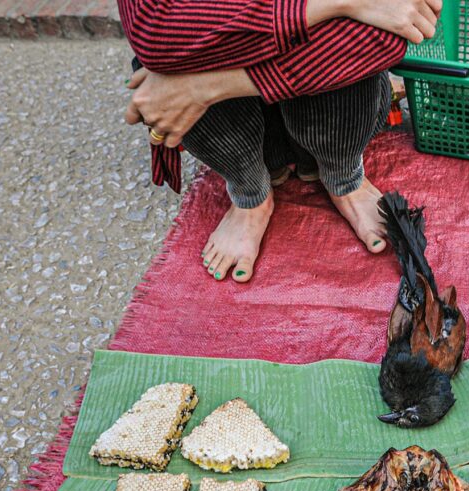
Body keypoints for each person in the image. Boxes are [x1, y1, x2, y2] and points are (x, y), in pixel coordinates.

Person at [120, 0, 441, 282]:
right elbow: (156, 30)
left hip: (336, 108)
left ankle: (343, 175)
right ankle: (250, 191)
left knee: (362, 28)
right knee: (174, 62)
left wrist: (203, 88)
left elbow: (386, 36)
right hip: (237, 121)